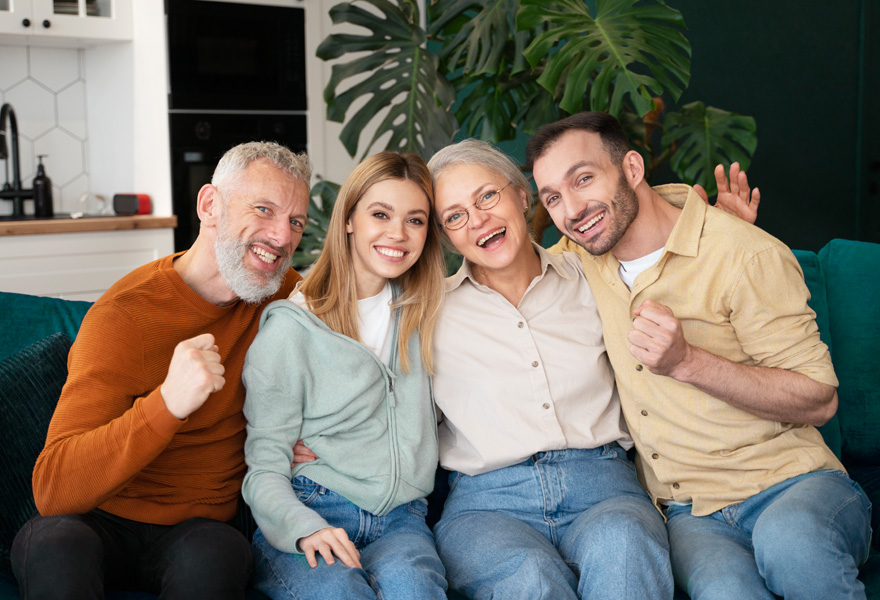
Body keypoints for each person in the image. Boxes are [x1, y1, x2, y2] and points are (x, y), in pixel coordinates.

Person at [528, 111, 872, 600]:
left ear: (631, 167)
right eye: (553, 198)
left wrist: (687, 361)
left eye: (584, 179)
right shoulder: (579, 257)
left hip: (793, 484)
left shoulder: (744, 254)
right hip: (691, 511)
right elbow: (504, 269)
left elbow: (819, 401)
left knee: (790, 544)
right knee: (724, 592)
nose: (572, 209)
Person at [10, 141, 312, 600]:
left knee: (218, 555)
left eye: (295, 222)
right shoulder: (124, 315)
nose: (282, 237)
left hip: (199, 531)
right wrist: (168, 403)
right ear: (210, 205)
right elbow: (54, 489)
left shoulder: (286, 295)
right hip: (95, 521)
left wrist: (306, 433)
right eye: (264, 209)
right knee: (55, 546)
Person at [425, 139, 672, 600]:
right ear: (445, 235)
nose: (477, 219)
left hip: (603, 487)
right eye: (455, 216)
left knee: (624, 546)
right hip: (486, 505)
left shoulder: (593, 275)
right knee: (530, 575)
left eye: (487, 197)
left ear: (522, 195)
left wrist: (726, 233)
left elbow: (666, 256)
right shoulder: (426, 314)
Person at [241, 151, 448, 599]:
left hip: (402, 519)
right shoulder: (293, 330)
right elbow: (263, 469)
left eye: (415, 220)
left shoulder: (429, 313)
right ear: (349, 219)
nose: (398, 233)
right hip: (314, 506)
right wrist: (303, 528)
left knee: (416, 590)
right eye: (380, 214)